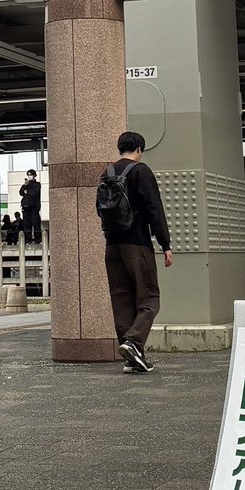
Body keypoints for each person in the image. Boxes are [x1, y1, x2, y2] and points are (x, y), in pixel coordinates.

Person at [98, 131, 172, 374]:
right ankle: (134, 342)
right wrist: (165, 244)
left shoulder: (107, 173)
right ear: (139, 148)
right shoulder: (141, 171)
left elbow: (101, 211)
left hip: (112, 246)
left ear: (120, 148)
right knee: (149, 297)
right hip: (137, 244)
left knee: (121, 299)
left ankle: (132, 358)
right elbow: (154, 209)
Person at [20, 168, 42, 243]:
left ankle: (38, 239)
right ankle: (28, 239)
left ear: (34, 176)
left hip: (34, 208)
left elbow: (33, 193)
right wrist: (25, 186)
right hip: (26, 208)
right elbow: (21, 192)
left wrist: (27, 190)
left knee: (35, 223)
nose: (29, 176)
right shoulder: (26, 185)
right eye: (28, 175)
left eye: (31, 175)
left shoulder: (37, 184)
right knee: (27, 224)